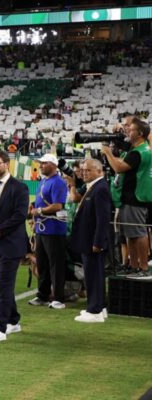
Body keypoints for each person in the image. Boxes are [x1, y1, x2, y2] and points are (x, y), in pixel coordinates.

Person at [0, 150, 30, 342]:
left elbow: (19, 215)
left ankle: (0, 328)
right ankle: (13, 320)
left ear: (7, 164)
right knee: (2, 286)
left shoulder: (20, 187)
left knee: (5, 285)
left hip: (11, 244)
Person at [102, 118, 152, 279]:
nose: (128, 131)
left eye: (131, 129)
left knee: (138, 232)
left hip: (135, 197)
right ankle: (134, 265)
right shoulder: (140, 149)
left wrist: (108, 153)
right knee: (130, 234)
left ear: (140, 134)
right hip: (131, 196)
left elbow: (118, 167)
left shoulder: (139, 152)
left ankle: (143, 267)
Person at [71, 158, 112, 323]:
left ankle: (94, 310)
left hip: (93, 241)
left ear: (99, 171)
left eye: (88, 170)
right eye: (82, 170)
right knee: (95, 274)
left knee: (93, 275)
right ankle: (99, 307)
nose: (83, 173)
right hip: (89, 239)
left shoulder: (100, 188)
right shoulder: (95, 187)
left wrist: (98, 241)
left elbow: (103, 219)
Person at [28, 154, 69, 310]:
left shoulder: (58, 182)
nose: (41, 165)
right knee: (43, 263)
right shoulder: (44, 180)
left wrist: (38, 211)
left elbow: (58, 206)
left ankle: (58, 298)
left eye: (44, 163)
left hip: (54, 228)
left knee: (55, 264)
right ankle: (43, 295)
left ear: (53, 165)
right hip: (42, 227)